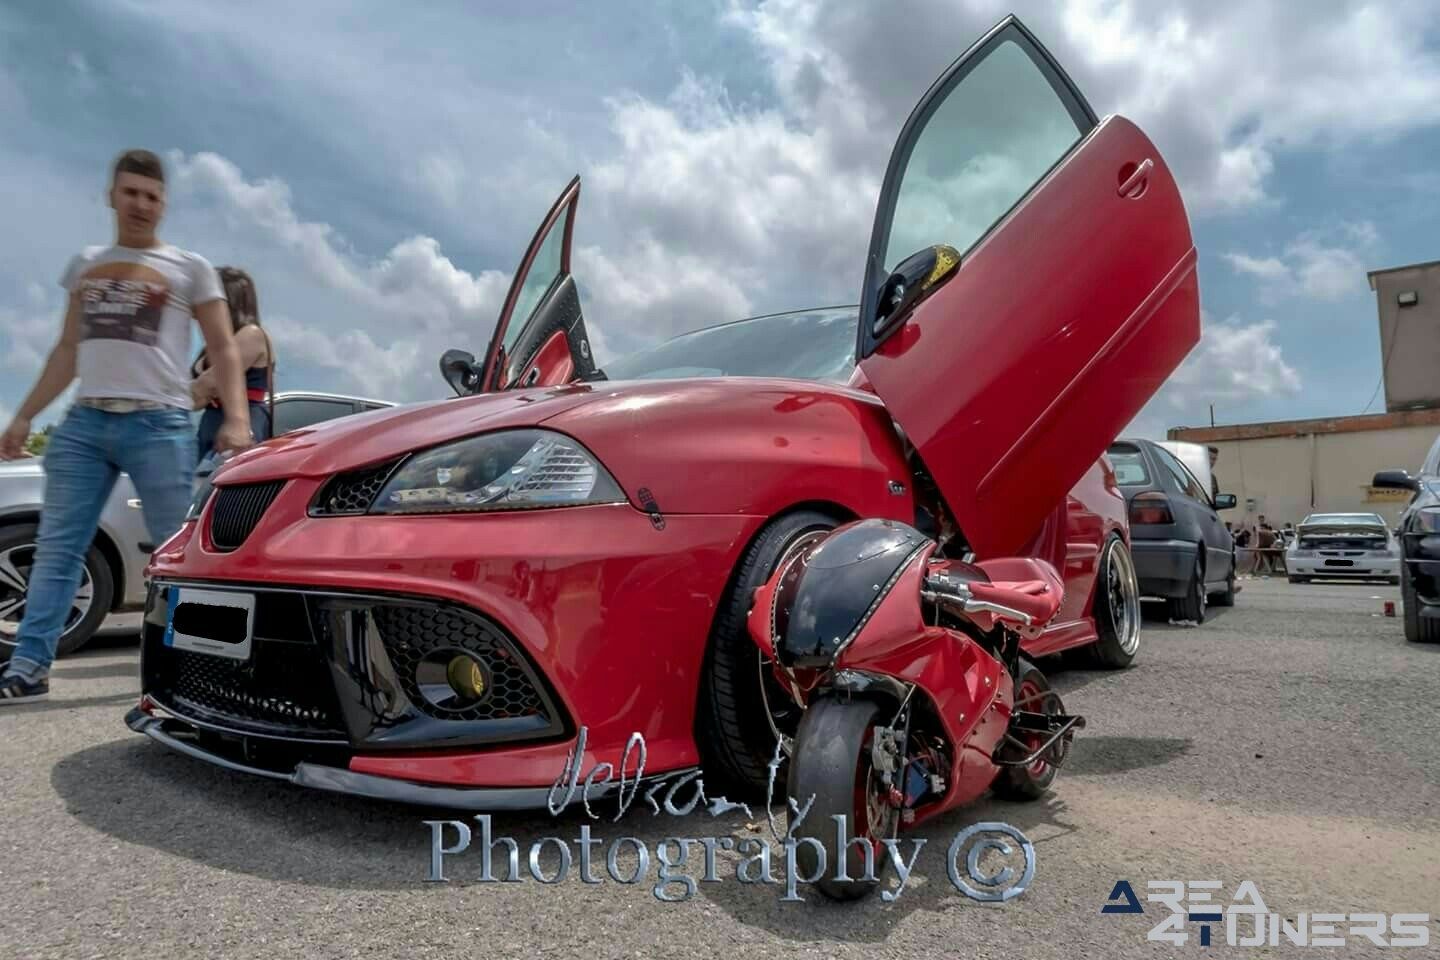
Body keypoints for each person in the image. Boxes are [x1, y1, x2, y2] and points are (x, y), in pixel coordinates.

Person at [0, 149, 253, 703]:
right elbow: (68, 348)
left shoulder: (189, 268)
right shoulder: (87, 265)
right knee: (59, 547)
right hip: (85, 423)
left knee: (178, 553)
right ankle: (28, 665)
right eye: (130, 192)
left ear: (163, 204)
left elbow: (223, 350)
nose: (140, 203)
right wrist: (24, 415)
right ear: (111, 195)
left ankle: (196, 669)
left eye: (152, 196)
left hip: (158, 424)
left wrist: (236, 418)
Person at [190, 267, 274, 464]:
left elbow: (208, 385)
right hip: (210, 423)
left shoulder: (252, 335)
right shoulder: (212, 347)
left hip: (239, 427)